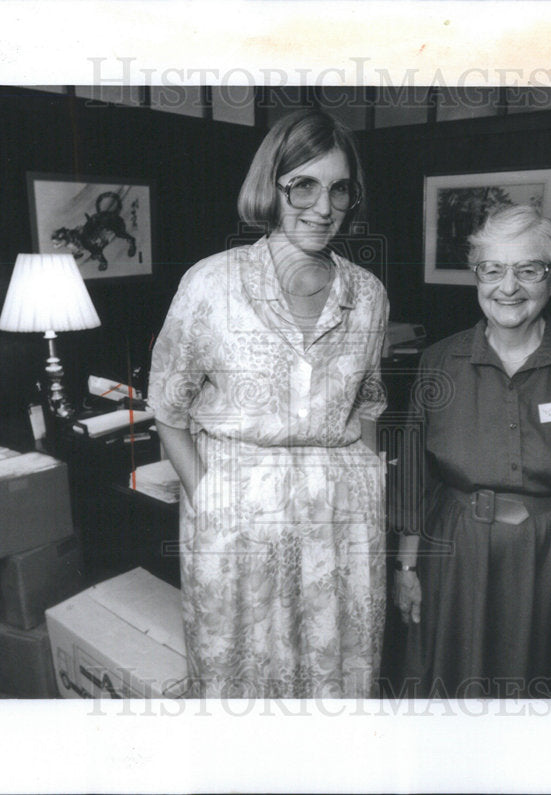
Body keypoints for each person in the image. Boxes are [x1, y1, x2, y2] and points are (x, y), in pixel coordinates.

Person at [148, 110, 389, 698]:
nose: (322, 206)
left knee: (337, 674)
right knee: (241, 674)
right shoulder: (211, 283)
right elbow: (168, 409)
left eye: (339, 188)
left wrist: (371, 492)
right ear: (270, 188)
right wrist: (208, 499)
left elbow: (369, 406)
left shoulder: (370, 294)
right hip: (237, 511)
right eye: (302, 185)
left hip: (342, 518)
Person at [395, 204, 551, 698]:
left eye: (528, 270)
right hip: (452, 554)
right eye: (493, 269)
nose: (509, 287)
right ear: (476, 276)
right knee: (446, 691)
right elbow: (414, 478)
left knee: (532, 694)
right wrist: (406, 569)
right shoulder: (439, 362)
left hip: (549, 557)